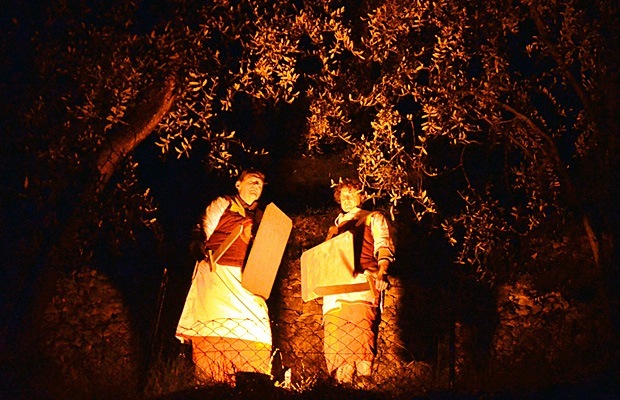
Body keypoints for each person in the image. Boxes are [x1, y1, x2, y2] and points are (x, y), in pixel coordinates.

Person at [176, 169, 272, 385]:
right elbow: (202, 232)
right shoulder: (223, 204)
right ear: (238, 184)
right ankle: (211, 385)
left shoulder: (263, 217)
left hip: (249, 282)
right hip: (217, 277)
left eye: (260, 183)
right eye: (251, 181)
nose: (256, 185)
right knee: (214, 330)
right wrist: (199, 247)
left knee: (257, 333)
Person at [322, 178, 395, 386]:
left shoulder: (373, 218)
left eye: (351, 194)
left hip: (361, 289)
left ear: (362, 196)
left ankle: (363, 390)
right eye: (343, 195)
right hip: (334, 297)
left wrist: (382, 272)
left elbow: (383, 246)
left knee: (361, 346)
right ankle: (343, 390)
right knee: (340, 354)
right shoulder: (334, 229)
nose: (346, 199)